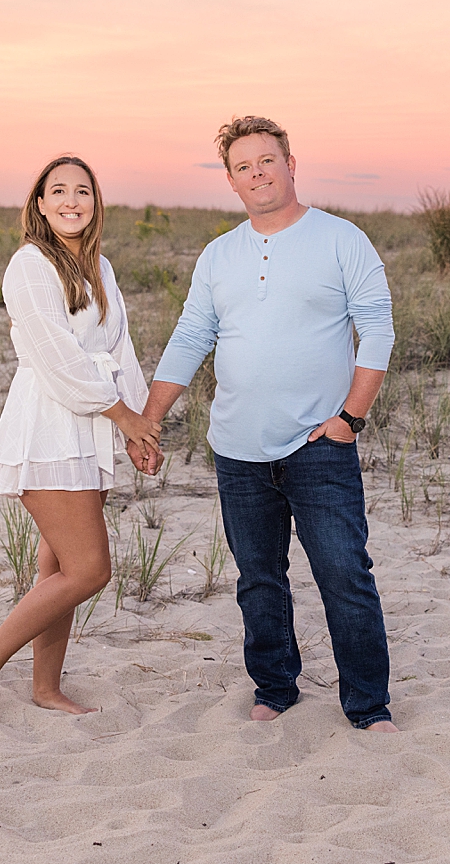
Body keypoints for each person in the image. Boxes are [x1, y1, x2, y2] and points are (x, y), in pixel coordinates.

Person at [143, 116, 398, 731]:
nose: (257, 173)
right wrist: (149, 420)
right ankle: (275, 689)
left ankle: (368, 706)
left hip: (320, 445)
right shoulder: (218, 254)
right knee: (259, 579)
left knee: (344, 575)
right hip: (237, 450)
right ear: (231, 181)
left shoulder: (342, 239)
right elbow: (191, 336)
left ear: (290, 164)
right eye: (243, 166)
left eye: (267, 160)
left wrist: (350, 419)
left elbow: (378, 328)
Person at [0, 156, 160, 719]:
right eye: (59, 191)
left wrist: (139, 426)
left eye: (83, 192)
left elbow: (119, 349)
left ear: (95, 204)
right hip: (49, 425)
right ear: (40, 204)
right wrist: (123, 417)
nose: (72, 201)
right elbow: (57, 359)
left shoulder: (101, 266)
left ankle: (45, 687)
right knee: (90, 569)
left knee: (58, 569)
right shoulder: (29, 265)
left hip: (91, 426)